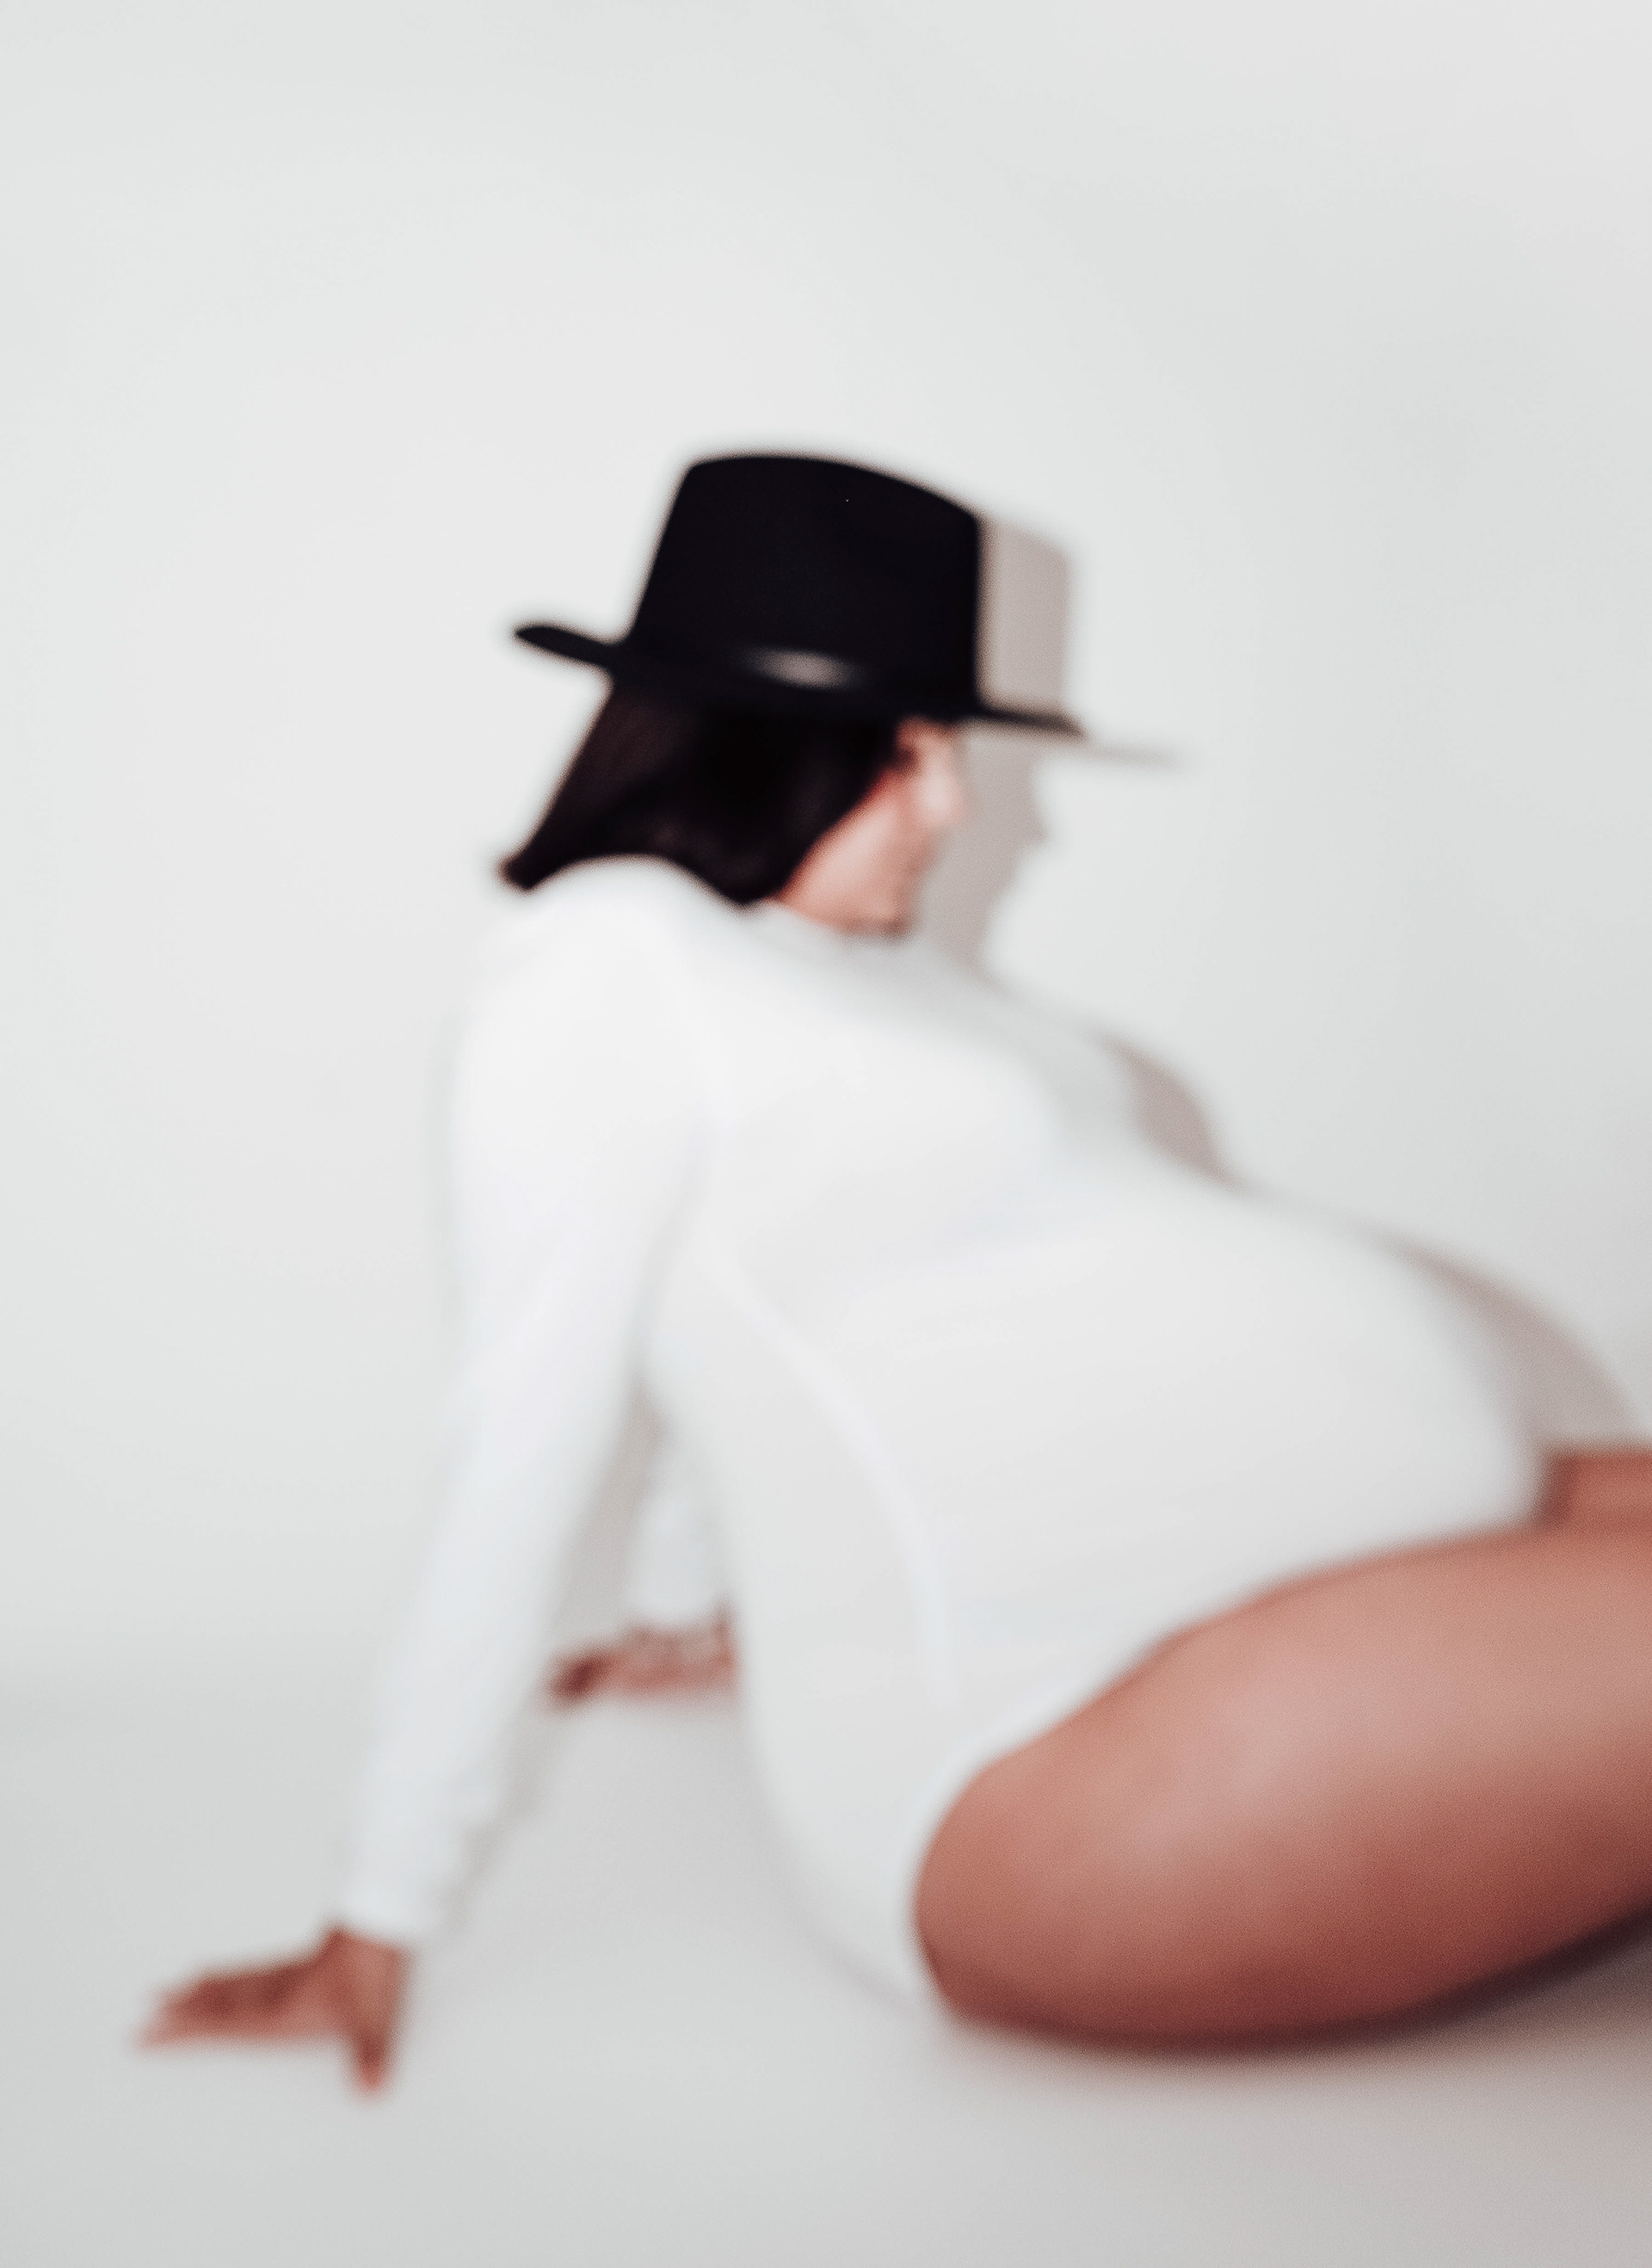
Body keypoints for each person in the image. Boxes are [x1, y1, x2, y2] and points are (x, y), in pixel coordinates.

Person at [144, 453, 1652, 2091]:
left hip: (1230, 1604)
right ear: (758, 742)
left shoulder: (842, 965)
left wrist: (683, 1613)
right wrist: (383, 1905)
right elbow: (531, 1420)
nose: (955, 810)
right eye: (913, 752)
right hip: (1044, 1757)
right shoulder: (604, 960)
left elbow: (746, 1292)